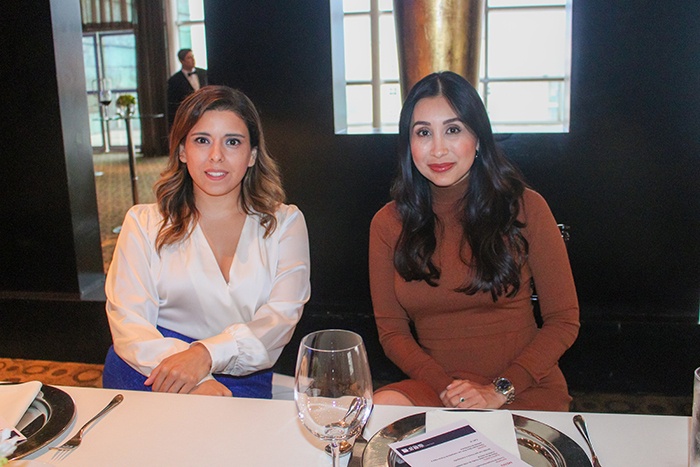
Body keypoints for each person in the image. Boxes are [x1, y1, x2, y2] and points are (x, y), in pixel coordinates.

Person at [369, 71, 579, 411]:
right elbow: (392, 332)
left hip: (522, 387)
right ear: (409, 144)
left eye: (453, 130)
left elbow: (564, 320)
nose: (438, 149)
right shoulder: (388, 223)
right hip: (440, 387)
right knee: (380, 408)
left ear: (478, 138)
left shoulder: (525, 207)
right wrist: (449, 391)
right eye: (423, 132)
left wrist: (498, 390)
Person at [103, 85, 311, 398]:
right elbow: (128, 323)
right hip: (152, 372)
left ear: (252, 155)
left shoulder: (285, 223)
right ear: (182, 151)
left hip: (243, 375)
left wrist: (206, 355)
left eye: (232, 142)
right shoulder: (143, 223)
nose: (216, 156)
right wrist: (198, 379)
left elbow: (280, 319)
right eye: (202, 140)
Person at [167, 48, 208, 128]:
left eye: (193, 56)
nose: (193, 60)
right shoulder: (174, 80)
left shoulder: (204, 73)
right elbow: (173, 103)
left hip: (206, 112)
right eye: (189, 58)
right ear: (182, 61)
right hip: (187, 117)